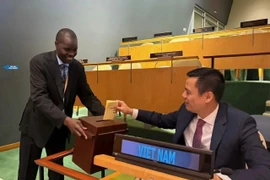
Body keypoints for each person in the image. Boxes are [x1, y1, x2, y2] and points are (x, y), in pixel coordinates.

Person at [115, 67, 270, 180]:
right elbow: (162, 120)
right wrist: (130, 111)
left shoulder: (240, 123)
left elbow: (264, 170)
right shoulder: (186, 111)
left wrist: (221, 178)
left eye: (188, 92)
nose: (183, 96)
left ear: (208, 97)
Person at [18, 28, 105, 180]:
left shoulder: (77, 68)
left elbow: (87, 96)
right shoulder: (39, 62)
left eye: (75, 50)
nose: (71, 54)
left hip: (58, 130)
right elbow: (39, 98)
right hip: (35, 127)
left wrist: (106, 116)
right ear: (56, 44)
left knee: (57, 174)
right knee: (27, 173)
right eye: (67, 50)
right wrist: (66, 120)